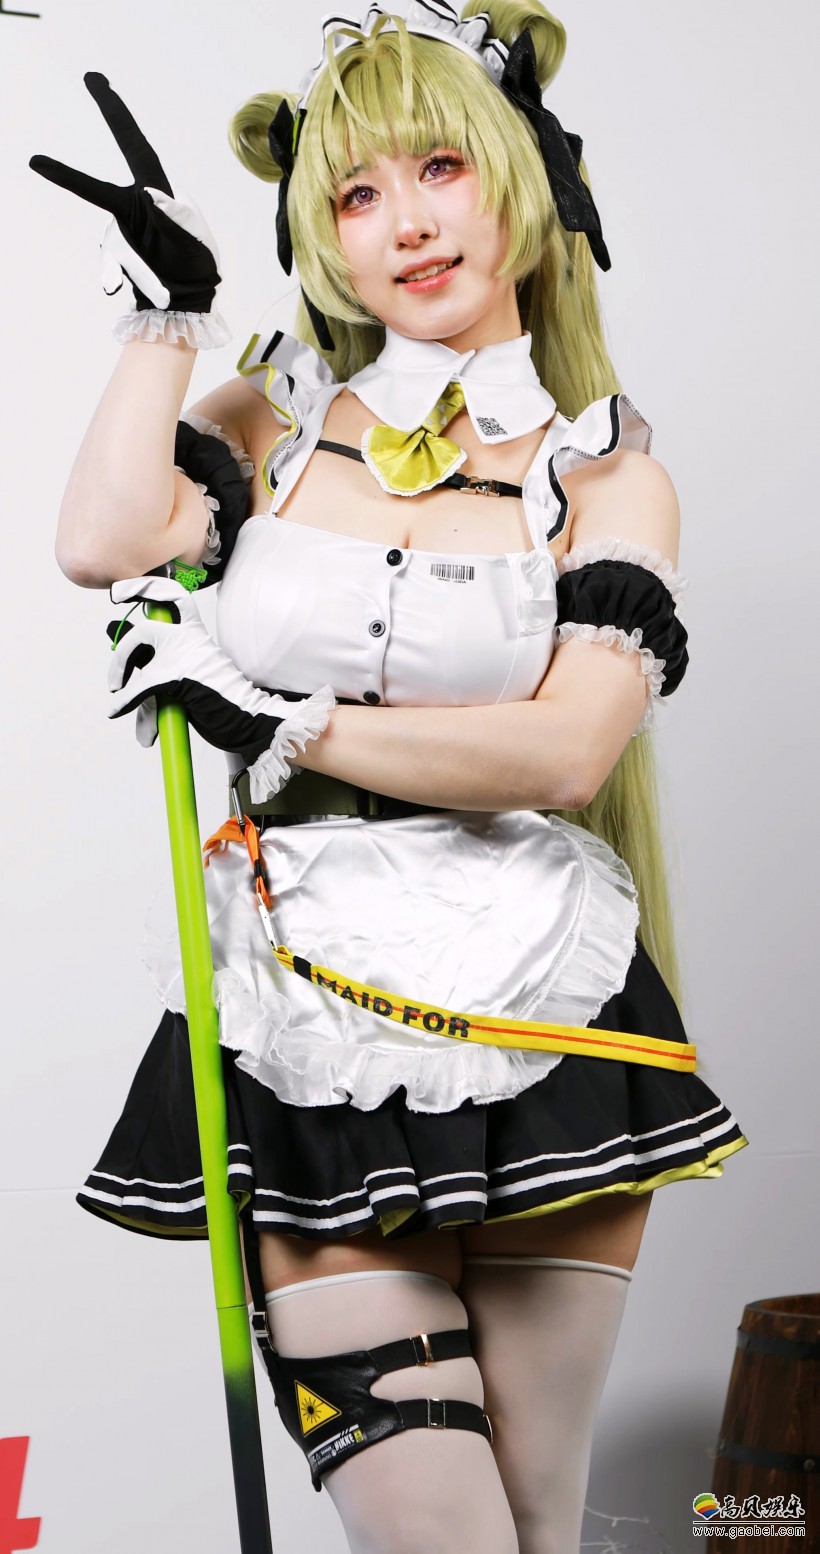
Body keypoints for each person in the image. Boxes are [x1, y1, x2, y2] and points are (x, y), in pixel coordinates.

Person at [32, 4, 749, 1550]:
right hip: (310, 1024)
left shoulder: (607, 472)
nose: (407, 222)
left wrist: (280, 723)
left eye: (440, 168)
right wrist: (168, 322)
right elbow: (102, 538)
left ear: (520, 182)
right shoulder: (277, 424)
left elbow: (569, 748)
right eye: (356, 192)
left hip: (551, 1008)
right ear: (324, 235)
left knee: (540, 1527)